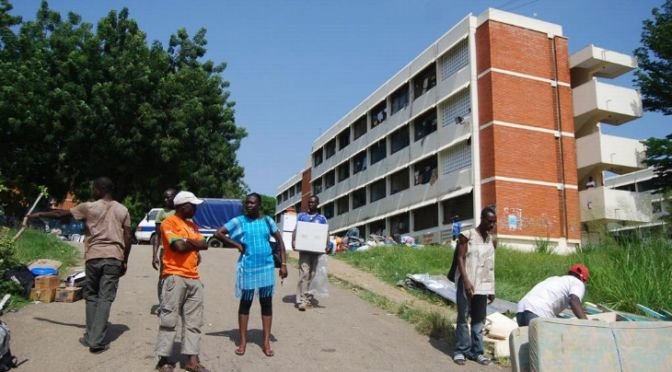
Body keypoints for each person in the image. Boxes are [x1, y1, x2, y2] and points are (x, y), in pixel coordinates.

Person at [27, 177, 132, 354]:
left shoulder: (89, 207)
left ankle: (93, 339)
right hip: (114, 257)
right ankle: (93, 337)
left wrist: (37, 215)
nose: (92, 191)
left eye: (94, 188)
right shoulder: (123, 209)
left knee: (91, 296)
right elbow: (127, 237)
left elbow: (61, 214)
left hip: (93, 257)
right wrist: (125, 260)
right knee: (105, 298)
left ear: (99, 190)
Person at [214, 193, 288, 357]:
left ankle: (266, 342)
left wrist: (283, 264)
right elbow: (218, 233)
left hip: (267, 267)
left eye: (253, 203)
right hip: (248, 267)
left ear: (259, 204)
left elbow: (280, 242)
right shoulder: (239, 221)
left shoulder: (267, 220)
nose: (249, 205)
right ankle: (242, 341)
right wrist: (237, 245)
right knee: (245, 303)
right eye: (247, 203)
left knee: (266, 303)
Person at [154, 191, 210, 372]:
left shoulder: (192, 225)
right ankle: (163, 360)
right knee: (169, 319)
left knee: (194, 322)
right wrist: (193, 242)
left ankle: (192, 361)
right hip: (174, 276)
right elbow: (177, 247)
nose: (195, 208)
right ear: (181, 206)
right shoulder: (168, 223)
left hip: (194, 278)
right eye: (192, 205)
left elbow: (205, 244)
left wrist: (189, 241)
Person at [453, 206, 497, 366]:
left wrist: (492, 289)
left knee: (479, 319)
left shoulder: (491, 240)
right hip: (467, 284)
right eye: (489, 221)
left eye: (494, 222)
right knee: (463, 318)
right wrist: (465, 280)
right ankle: (461, 351)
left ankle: (476, 352)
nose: (492, 225)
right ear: (482, 218)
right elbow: (460, 257)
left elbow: (490, 265)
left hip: (483, 286)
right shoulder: (467, 235)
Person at [516, 264, 590, 327]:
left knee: (530, 342)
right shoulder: (577, 282)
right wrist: (587, 323)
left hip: (520, 311)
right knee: (545, 342)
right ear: (582, 279)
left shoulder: (553, 279)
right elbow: (574, 300)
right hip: (537, 312)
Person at [292, 195, 329, 311]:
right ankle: (301, 299)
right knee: (304, 273)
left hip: (317, 251)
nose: (310, 204)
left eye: (313, 202)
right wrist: (293, 241)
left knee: (313, 274)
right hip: (304, 251)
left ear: (317, 204)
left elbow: (326, 232)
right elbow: (296, 229)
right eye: (309, 202)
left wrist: (327, 244)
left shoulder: (322, 219)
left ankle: (308, 298)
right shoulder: (302, 217)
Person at [152, 188, 177, 313]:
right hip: (166, 251)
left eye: (169, 197)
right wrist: (154, 255)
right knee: (163, 277)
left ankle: (175, 304)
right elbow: (157, 235)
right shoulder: (162, 213)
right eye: (165, 197)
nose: (166, 200)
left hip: (180, 252)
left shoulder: (181, 211)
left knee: (178, 278)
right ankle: (162, 304)